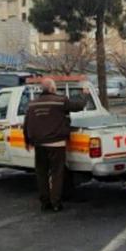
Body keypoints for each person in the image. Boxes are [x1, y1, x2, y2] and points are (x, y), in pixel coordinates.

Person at [24, 78, 89, 212]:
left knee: (41, 173)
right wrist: (85, 94)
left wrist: (28, 141)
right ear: (53, 89)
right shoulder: (60, 101)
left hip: (39, 144)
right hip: (56, 143)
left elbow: (27, 124)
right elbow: (79, 105)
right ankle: (56, 203)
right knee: (57, 173)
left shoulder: (32, 104)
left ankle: (45, 203)